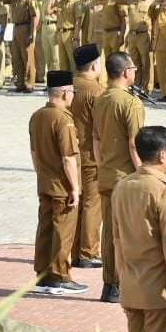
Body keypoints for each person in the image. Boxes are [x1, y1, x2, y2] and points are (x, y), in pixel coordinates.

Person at [112, 126, 166, 332]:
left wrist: (122, 282)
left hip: (132, 287)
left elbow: (117, 242)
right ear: (162, 155)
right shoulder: (165, 192)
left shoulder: (122, 187)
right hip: (159, 293)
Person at [92, 51, 146, 303]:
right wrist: (143, 174)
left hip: (106, 175)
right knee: (126, 233)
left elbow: (95, 140)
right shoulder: (130, 103)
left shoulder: (101, 99)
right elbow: (135, 144)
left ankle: (109, 284)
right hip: (126, 177)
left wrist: (104, 165)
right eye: (133, 68)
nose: (135, 72)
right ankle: (121, 284)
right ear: (126, 73)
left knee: (108, 232)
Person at [29, 70, 86, 294]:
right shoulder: (63, 120)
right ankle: (60, 276)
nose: (72, 97)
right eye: (72, 92)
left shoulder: (37, 116)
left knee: (45, 229)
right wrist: (75, 188)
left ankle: (43, 275)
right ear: (64, 93)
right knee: (63, 230)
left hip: (44, 182)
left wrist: (40, 175)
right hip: (62, 185)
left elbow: (34, 152)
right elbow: (68, 157)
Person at [70, 44, 105, 268]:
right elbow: (102, 127)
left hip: (71, 154)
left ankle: (74, 250)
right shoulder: (96, 91)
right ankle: (89, 252)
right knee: (93, 203)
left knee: (76, 202)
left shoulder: (68, 86)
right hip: (92, 155)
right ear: (94, 65)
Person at [1, 0, 38, 92]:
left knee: (27, 58)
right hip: (15, 28)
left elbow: (34, 17)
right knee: (16, 57)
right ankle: (20, 83)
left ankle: (29, 83)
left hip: (25, 27)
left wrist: (31, 33)